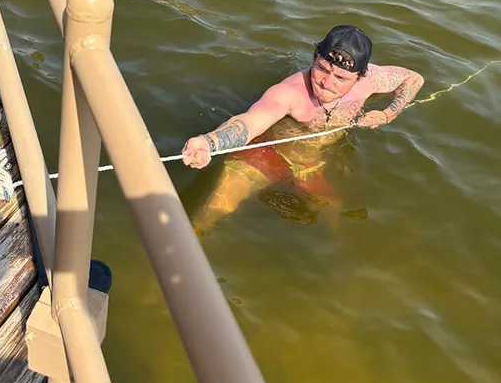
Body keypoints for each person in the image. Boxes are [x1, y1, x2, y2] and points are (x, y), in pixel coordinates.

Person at [181, 24, 424, 233]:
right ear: (314, 57)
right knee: (214, 211)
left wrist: (388, 113)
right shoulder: (289, 93)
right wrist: (210, 142)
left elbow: (414, 78)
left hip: (309, 164)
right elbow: (250, 121)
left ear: (360, 76)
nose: (327, 83)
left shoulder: (371, 79)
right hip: (264, 155)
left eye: (340, 78)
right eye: (322, 69)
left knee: (333, 212)